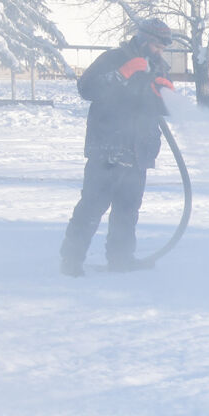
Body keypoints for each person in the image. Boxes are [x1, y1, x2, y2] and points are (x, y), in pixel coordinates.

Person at [60, 18, 176, 275]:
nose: (159, 51)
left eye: (162, 48)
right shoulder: (114, 59)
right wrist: (121, 73)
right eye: (157, 45)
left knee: (127, 210)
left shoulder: (158, 67)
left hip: (139, 151)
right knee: (92, 206)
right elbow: (86, 88)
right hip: (108, 148)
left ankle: (121, 259)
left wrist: (167, 95)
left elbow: (162, 108)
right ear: (144, 39)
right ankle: (71, 260)